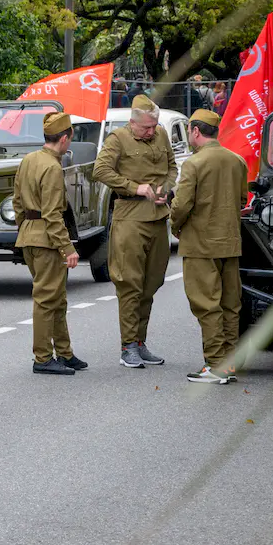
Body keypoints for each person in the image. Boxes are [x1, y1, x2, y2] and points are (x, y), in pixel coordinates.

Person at [94, 94, 178, 369]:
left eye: (154, 127)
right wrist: (134, 187)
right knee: (130, 283)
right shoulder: (117, 139)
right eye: (146, 128)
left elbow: (172, 168)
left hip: (157, 217)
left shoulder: (162, 135)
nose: (151, 132)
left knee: (152, 283)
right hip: (129, 218)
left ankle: (140, 343)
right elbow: (101, 170)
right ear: (133, 123)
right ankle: (128, 345)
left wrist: (166, 189)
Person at [171, 110, 249, 384]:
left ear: (194, 131)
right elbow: (242, 199)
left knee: (206, 305)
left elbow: (181, 205)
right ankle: (228, 363)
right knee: (231, 304)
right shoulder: (236, 161)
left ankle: (215, 365)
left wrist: (174, 226)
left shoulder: (193, 164)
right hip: (230, 242)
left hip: (200, 245)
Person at [16, 112, 84, 375]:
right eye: (70, 140)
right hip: (47, 240)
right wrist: (68, 248)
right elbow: (54, 215)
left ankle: (64, 353)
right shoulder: (53, 167)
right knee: (47, 299)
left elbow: (17, 203)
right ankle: (43, 357)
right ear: (64, 139)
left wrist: (24, 229)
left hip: (30, 236)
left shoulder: (28, 160)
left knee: (57, 297)